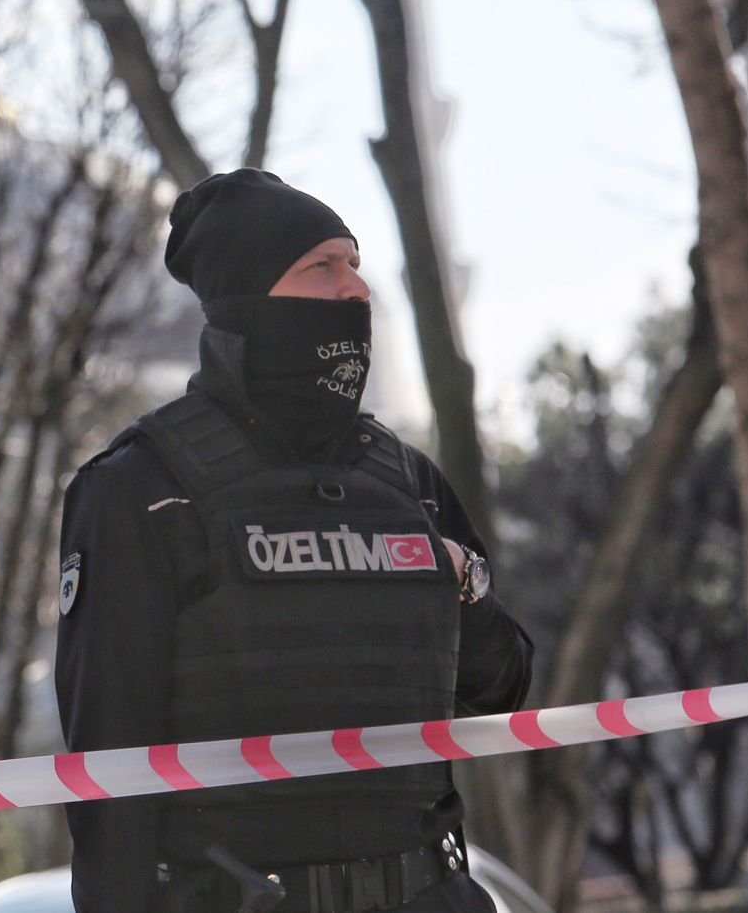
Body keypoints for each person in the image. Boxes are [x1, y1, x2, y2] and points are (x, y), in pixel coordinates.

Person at [54, 169, 532, 913]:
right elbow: (110, 774)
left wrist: (461, 579)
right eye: (322, 267)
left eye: (355, 264)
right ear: (251, 297)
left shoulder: (408, 482)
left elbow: (503, 685)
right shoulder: (139, 491)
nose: (356, 291)